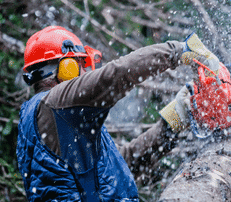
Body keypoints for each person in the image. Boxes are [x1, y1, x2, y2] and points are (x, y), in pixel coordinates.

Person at [16, 26, 219, 201]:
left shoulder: (58, 118)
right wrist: (179, 51)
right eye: (80, 65)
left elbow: (118, 167)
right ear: (65, 69)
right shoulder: (55, 104)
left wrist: (171, 124)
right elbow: (116, 74)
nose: (85, 73)